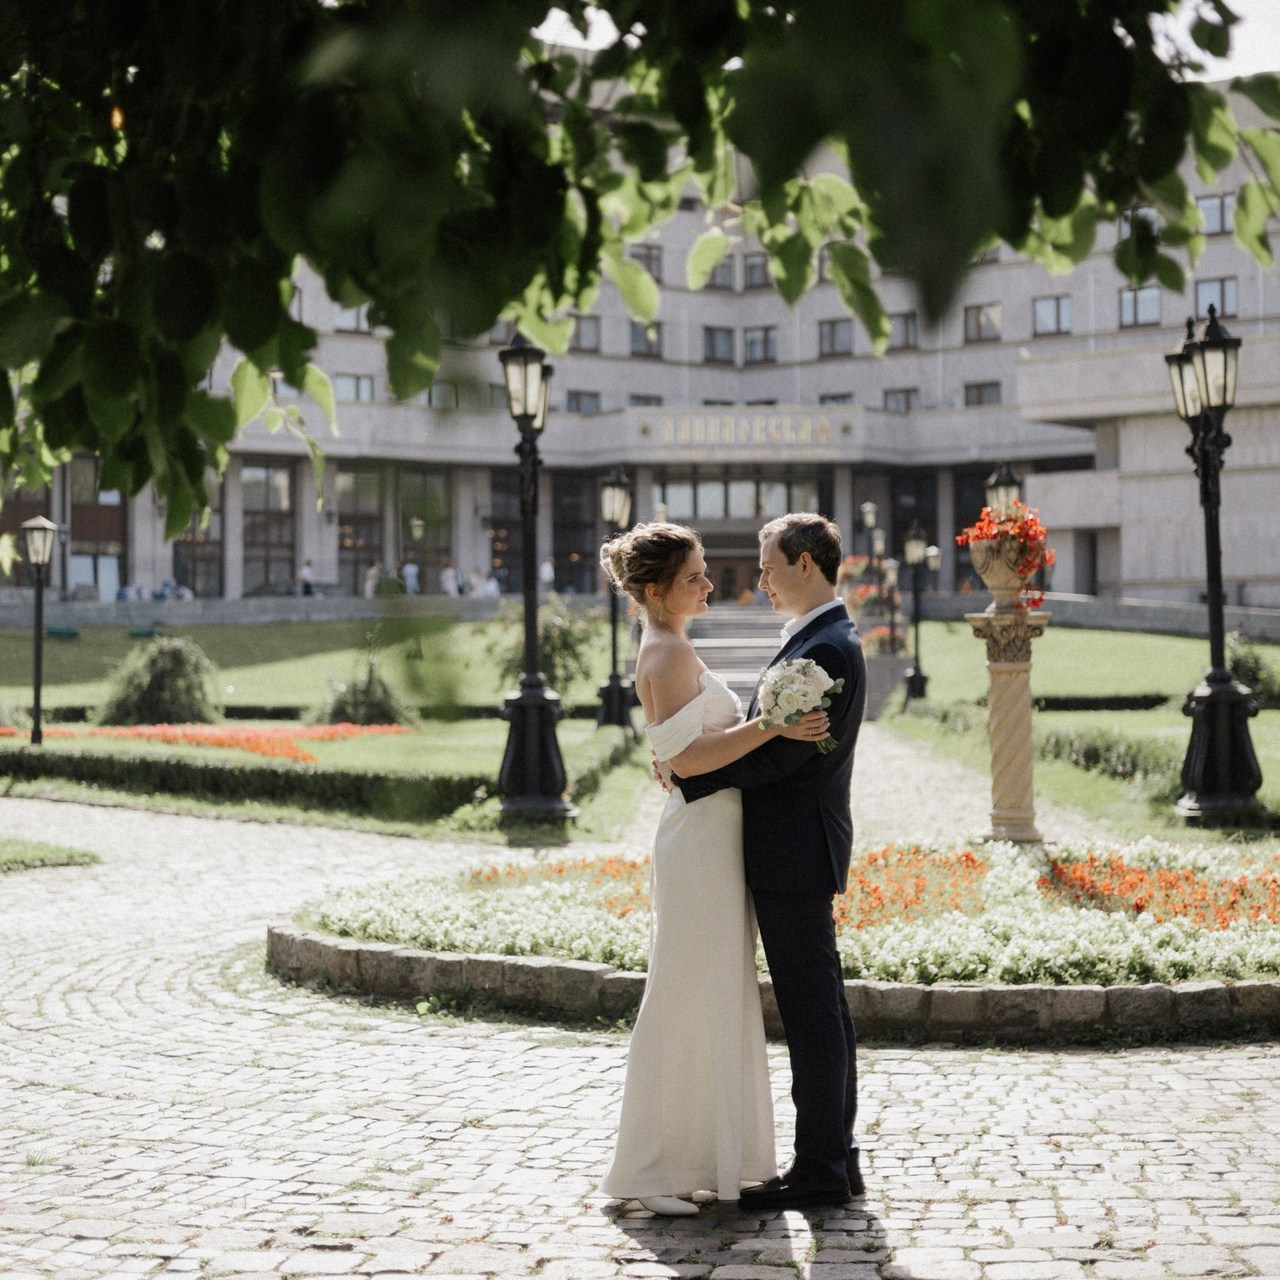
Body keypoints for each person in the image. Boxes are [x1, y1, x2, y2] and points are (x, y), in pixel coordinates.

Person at [598, 521, 831, 1217]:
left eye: (703, 571)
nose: (709, 583)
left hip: (713, 839)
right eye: (695, 575)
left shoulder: (676, 643)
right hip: (698, 843)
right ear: (655, 590)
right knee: (683, 990)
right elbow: (691, 761)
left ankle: (693, 1158)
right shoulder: (665, 651)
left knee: (712, 992)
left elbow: (678, 750)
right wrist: (773, 726)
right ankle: (647, 1168)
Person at [674, 512, 867, 1211]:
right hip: (796, 847)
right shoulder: (819, 639)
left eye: (768, 567)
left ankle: (820, 1168)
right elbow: (780, 741)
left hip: (794, 849)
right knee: (823, 1011)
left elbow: (787, 756)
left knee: (812, 1015)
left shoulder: (831, 649)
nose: (757, 580)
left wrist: (695, 778)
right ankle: (837, 1158)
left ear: (807, 564)